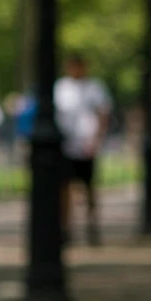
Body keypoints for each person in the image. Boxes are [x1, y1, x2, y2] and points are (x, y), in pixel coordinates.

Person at [54, 52, 112, 246]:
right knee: (65, 188)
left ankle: (92, 226)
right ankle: (66, 228)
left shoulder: (95, 88)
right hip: (66, 146)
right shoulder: (60, 88)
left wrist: (96, 140)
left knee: (89, 189)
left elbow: (103, 114)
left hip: (87, 145)